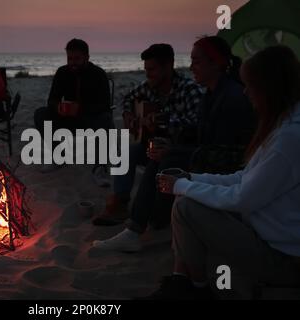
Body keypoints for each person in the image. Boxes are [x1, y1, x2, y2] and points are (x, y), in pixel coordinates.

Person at [151, 45, 300, 300]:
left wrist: (181, 186)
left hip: (283, 258)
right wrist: (190, 179)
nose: (245, 92)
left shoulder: (288, 139)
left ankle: (196, 288)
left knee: (187, 206)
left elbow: (241, 198)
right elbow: (243, 178)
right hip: (264, 234)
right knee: (186, 199)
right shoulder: (282, 126)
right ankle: (185, 282)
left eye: (250, 85)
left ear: (269, 89)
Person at [93, 37, 256, 252]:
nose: (190, 67)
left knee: (166, 157)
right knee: (149, 150)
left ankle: (143, 225)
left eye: (196, 61)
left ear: (215, 64)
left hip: (227, 167)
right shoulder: (210, 93)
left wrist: (170, 136)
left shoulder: (224, 96)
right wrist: (131, 117)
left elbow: (226, 152)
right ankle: (127, 208)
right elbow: (129, 99)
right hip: (201, 153)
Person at [91, 43, 203, 230]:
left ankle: (148, 214)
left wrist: (164, 121)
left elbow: (196, 124)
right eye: (145, 70)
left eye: (152, 70)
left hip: (178, 152)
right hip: (154, 146)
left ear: (169, 66)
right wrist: (129, 115)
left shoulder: (189, 90)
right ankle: (120, 202)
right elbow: (127, 99)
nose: (148, 75)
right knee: (126, 151)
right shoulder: (149, 87)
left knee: (154, 157)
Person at [33, 38, 113, 186]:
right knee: (40, 114)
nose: (73, 62)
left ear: (87, 57)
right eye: (70, 58)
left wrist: (81, 109)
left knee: (106, 119)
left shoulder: (98, 74)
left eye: (77, 59)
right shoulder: (62, 72)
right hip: (67, 118)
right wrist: (59, 107)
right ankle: (60, 157)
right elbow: (51, 100)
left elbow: (105, 105)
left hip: (91, 118)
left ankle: (99, 168)